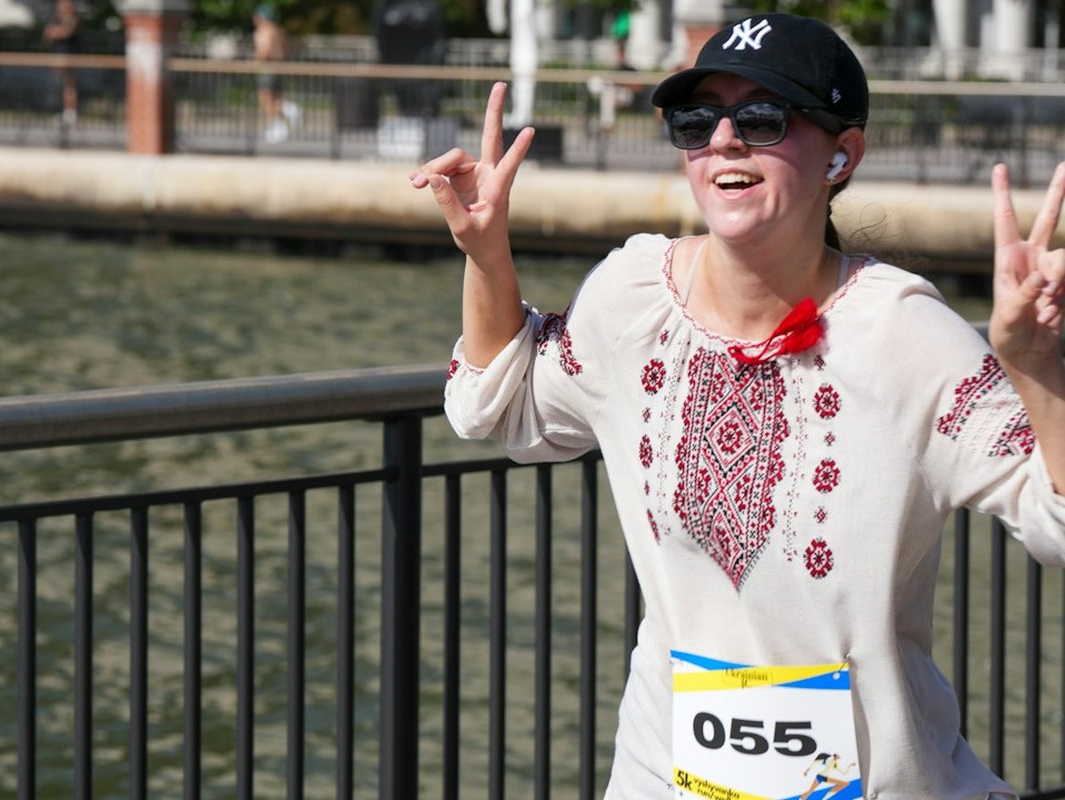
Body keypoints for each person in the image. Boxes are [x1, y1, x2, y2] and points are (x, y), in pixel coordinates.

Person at [411, 12, 1065, 800]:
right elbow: (500, 406)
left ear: (842, 154)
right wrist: (487, 256)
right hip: (665, 777)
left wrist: (1035, 368)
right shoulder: (632, 299)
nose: (723, 139)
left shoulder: (902, 334)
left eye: (762, 118)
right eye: (697, 120)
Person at [252, 3, 299, 144]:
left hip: (269, 67)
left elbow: (264, 51)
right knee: (275, 97)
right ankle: (289, 109)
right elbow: (286, 49)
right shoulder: (278, 30)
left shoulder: (263, 30)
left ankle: (279, 125)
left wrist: (255, 61)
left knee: (265, 97)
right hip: (279, 66)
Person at [42, 0, 80, 125]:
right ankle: (63, 111)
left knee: (69, 84)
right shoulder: (56, 19)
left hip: (68, 57)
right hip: (58, 56)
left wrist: (57, 32)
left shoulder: (72, 19)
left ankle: (70, 112)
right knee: (60, 85)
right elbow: (47, 34)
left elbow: (66, 32)